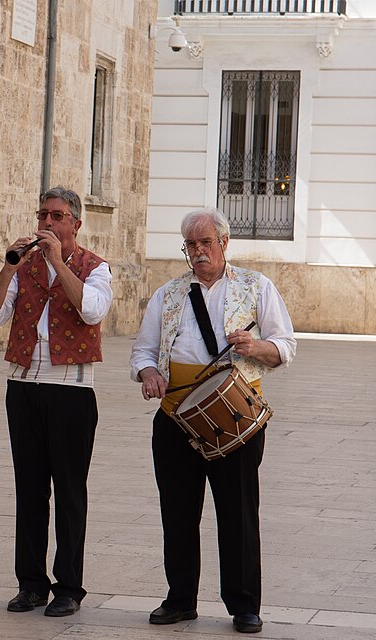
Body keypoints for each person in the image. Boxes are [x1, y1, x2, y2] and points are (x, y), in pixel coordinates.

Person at [129, 207, 295, 634]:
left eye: (206, 243)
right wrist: (149, 373)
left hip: (236, 415)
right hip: (175, 416)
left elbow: (285, 347)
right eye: (191, 245)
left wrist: (256, 346)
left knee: (238, 512)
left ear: (224, 243)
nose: (198, 251)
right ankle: (180, 599)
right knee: (178, 512)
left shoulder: (256, 286)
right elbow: (143, 352)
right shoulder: (167, 294)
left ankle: (244, 606)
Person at [0, 186, 113, 617]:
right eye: (42, 216)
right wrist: (7, 267)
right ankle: (31, 584)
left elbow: (91, 310)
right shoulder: (24, 266)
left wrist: (56, 261)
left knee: (70, 492)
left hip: (71, 392)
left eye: (56, 216)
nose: (47, 224)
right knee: (30, 490)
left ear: (75, 223)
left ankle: (69, 587)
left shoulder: (96, 268)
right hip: (23, 388)